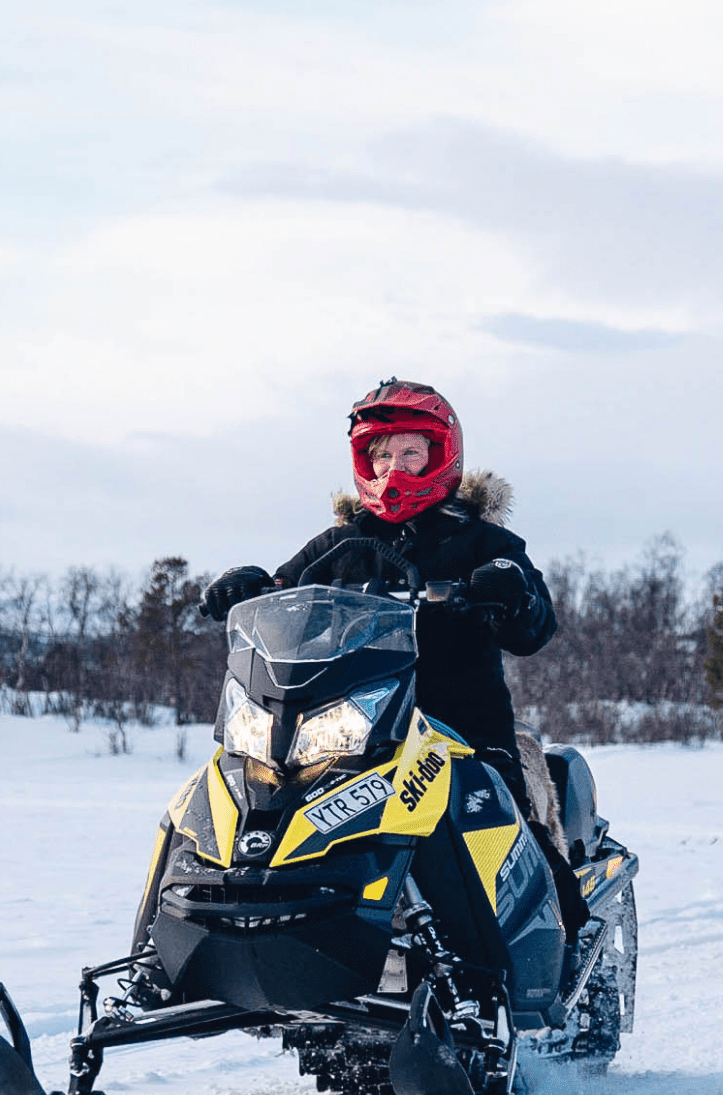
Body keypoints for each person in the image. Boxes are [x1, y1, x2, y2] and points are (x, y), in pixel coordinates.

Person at [200, 378, 585, 936]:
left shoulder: (483, 540)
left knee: (505, 819)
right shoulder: (340, 541)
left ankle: (559, 942)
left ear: (441, 455)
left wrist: (512, 592)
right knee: (254, 804)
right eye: (381, 455)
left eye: (409, 451)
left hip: (459, 718)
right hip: (354, 725)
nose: (393, 468)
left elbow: (535, 629)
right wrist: (252, 588)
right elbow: (288, 595)